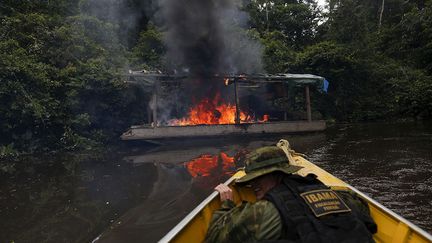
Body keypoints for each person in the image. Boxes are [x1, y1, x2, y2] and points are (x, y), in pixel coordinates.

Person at [205, 146, 377, 243]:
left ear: (277, 174)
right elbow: (362, 207)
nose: (253, 185)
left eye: (259, 179)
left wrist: (226, 205)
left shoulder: (266, 210)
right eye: (251, 181)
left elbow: (215, 238)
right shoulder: (339, 197)